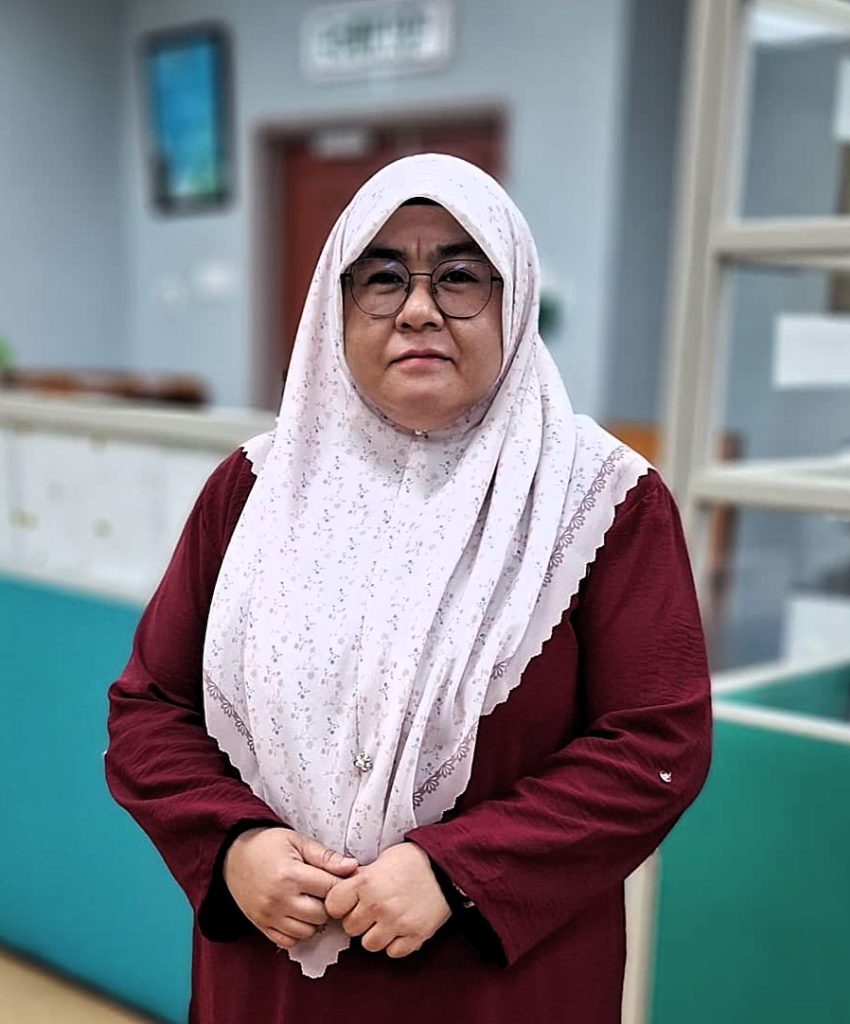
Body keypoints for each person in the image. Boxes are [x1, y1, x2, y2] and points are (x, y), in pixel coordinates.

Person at [105, 153, 712, 1024]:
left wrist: (460, 871)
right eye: (382, 278)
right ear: (336, 307)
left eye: (460, 277)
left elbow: (656, 743)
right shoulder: (254, 490)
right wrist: (232, 847)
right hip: (271, 981)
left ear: (514, 301)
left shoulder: (602, 502)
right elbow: (149, 708)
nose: (419, 308)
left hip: (495, 988)